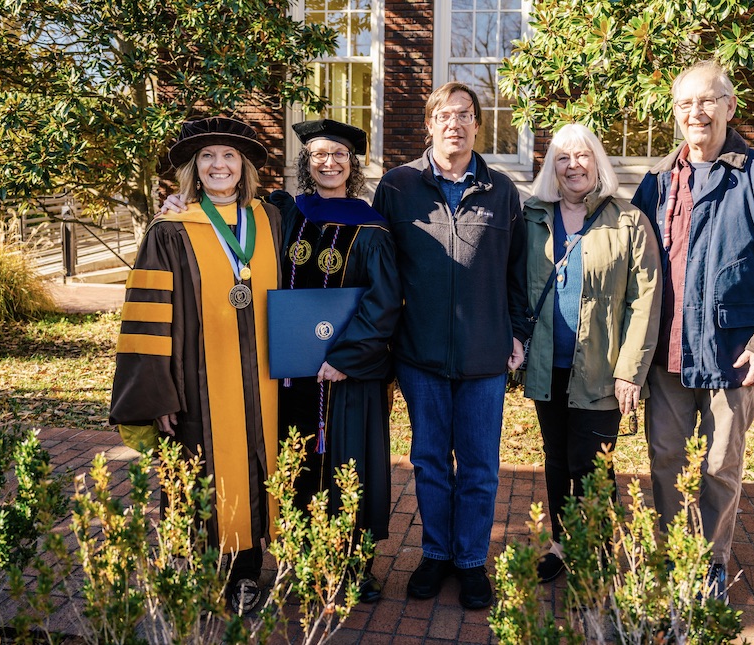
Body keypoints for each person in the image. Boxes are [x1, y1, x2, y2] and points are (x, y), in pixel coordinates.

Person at [631, 60, 754, 599]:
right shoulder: (657, 182)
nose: (696, 112)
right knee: (665, 460)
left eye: (707, 101)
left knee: (721, 465)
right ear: (675, 114)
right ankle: (671, 561)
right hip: (668, 353)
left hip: (733, 353)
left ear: (730, 107)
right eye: (685, 104)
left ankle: (709, 567)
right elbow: (634, 267)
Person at [109, 116, 284, 616]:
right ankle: (203, 575)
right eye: (207, 156)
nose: (219, 164)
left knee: (258, 469)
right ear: (194, 169)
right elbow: (147, 317)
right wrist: (158, 393)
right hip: (199, 383)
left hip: (267, 382)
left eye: (229, 156)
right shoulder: (169, 231)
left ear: (244, 166)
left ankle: (248, 574)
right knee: (203, 470)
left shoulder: (271, 219)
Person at [371, 81, 529, 610]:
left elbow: (519, 275)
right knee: (430, 461)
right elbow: (378, 266)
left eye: (464, 114)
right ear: (429, 124)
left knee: (481, 466)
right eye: (444, 114)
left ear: (478, 126)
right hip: (419, 356)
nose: (454, 124)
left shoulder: (503, 191)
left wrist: (518, 333)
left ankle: (469, 561)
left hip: (484, 358)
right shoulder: (397, 187)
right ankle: (436, 553)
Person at [267, 118, 401, 604]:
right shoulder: (285, 214)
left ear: (352, 164)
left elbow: (384, 301)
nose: (328, 162)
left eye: (338, 155)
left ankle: (354, 564)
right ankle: (302, 557)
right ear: (306, 163)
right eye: (319, 155)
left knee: (352, 462)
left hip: (349, 374)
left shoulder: (370, 226)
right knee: (298, 460)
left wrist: (344, 356)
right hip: (293, 373)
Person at [520, 123, 662, 583]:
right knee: (558, 460)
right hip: (547, 367)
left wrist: (630, 372)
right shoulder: (532, 216)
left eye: (582, 156)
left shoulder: (627, 220)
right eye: (562, 157)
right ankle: (562, 545)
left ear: (598, 163)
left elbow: (644, 300)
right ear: (551, 167)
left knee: (593, 463)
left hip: (602, 370)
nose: (572, 165)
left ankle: (597, 553)